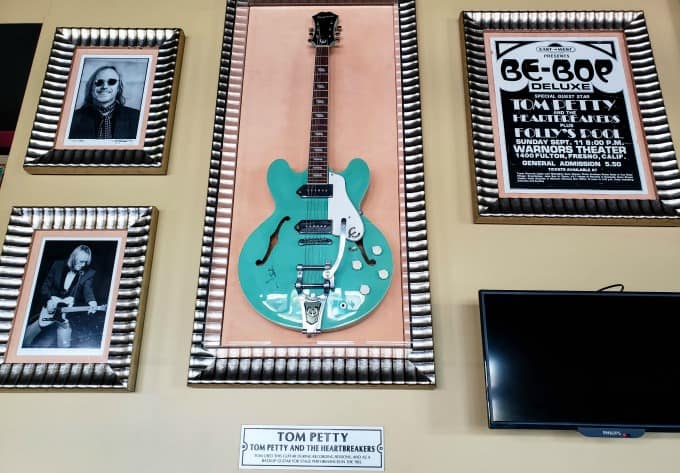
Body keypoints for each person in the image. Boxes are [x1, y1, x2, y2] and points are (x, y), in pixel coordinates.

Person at [22, 245, 100, 349]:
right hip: (48, 311)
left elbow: (88, 290)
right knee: (26, 339)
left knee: (64, 347)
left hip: (65, 317)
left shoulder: (88, 273)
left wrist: (92, 303)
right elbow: (45, 287)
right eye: (81, 261)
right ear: (74, 257)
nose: (83, 265)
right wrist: (48, 300)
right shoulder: (57, 265)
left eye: (86, 262)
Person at [68, 65, 140, 140]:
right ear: (91, 87)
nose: (104, 86)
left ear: (118, 88)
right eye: (98, 82)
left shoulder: (136, 117)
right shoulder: (73, 119)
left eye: (111, 82)